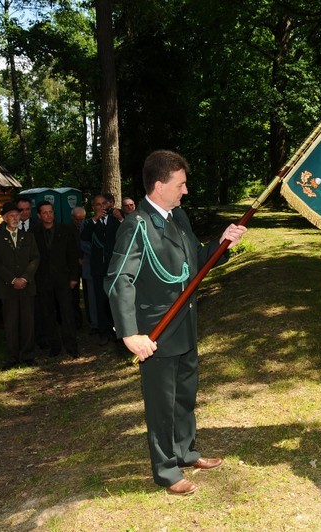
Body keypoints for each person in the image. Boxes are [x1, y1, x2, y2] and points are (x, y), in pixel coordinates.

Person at [105, 150, 247, 495]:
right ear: (159, 185)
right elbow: (117, 280)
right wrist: (130, 334)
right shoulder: (136, 225)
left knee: (184, 396)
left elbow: (196, 263)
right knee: (161, 405)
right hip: (155, 333)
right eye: (180, 184)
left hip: (185, 325)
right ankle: (167, 470)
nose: (185, 191)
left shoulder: (178, 219)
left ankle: (185, 452)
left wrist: (222, 242)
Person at [0, 201, 40, 370]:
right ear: (4, 218)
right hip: (8, 288)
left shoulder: (29, 236)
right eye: (11, 215)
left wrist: (25, 278)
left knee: (28, 322)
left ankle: (28, 355)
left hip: (27, 286)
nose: (15, 218)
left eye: (17, 215)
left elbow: (35, 258)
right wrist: (13, 280)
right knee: (11, 323)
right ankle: (12, 356)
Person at [32, 201, 81, 358]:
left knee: (67, 313)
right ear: (39, 215)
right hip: (43, 280)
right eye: (45, 212)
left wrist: (74, 277)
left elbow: (73, 254)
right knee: (48, 314)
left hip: (64, 279)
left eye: (51, 212)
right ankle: (54, 345)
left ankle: (71, 346)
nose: (49, 215)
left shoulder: (65, 230)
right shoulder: (34, 232)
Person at [82, 193, 121, 346]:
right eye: (98, 204)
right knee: (100, 300)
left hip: (114, 267)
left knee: (115, 300)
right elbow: (84, 237)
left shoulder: (115, 220)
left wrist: (120, 218)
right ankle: (103, 332)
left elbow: (126, 235)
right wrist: (95, 219)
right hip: (98, 268)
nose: (101, 207)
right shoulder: (89, 223)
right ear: (93, 208)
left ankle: (118, 331)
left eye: (104, 203)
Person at [70, 206, 87, 329]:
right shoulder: (67, 229)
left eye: (82, 219)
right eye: (77, 219)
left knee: (88, 293)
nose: (80, 222)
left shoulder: (88, 226)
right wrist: (77, 259)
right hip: (73, 266)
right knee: (74, 295)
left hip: (87, 264)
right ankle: (76, 321)